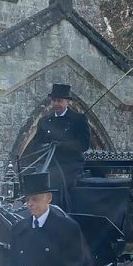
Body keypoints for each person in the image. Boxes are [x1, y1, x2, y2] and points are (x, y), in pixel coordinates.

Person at [17, 83, 90, 212]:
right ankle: (31, 208)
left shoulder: (78, 119)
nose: (56, 104)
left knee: (53, 180)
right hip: (48, 162)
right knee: (34, 177)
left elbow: (83, 145)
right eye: (54, 101)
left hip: (70, 164)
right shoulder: (45, 120)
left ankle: (57, 211)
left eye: (59, 101)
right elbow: (37, 143)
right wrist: (44, 147)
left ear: (67, 102)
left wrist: (62, 146)